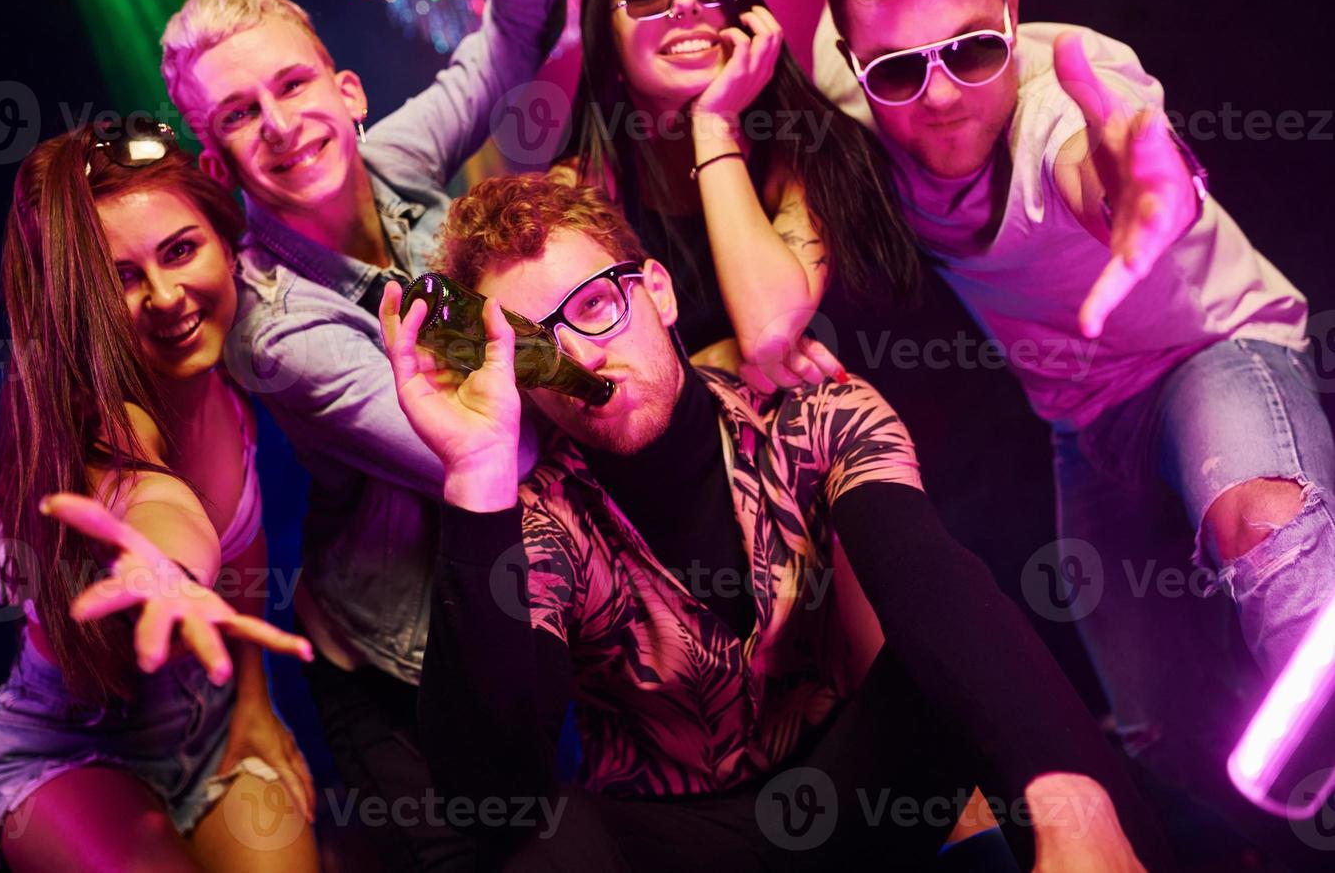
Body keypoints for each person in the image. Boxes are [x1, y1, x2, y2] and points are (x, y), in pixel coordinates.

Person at [379, 173, 1173, 871]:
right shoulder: (543, 521)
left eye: (595, 305)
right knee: (542, 838)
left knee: (947, 631)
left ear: (656, 289)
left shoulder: (814, 416)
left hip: (860, 790)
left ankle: (1091, 831)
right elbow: (491, 792)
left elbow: (927, 579)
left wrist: (1064, 800)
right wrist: (476, 477)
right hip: (683, 842)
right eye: (536, 346)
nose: (582, 356)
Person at [812, 0, 1335, 858]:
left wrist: (1144, 182)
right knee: (1164, 731)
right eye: (895, 68)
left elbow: (1103, 155)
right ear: (851, 67)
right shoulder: (842, 90)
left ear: (1013, 15)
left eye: (972, 50)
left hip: (1208, 350)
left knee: (1267, 535)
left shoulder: (1067, 86)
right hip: (1083, 428)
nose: (938, 95)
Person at [157, 0, 584, 866]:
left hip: (524, 607)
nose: (277, 122)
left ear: (346, 91)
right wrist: (571, 318)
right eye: (237, 113)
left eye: (292, 84)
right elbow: (492, 448)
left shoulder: (390, 159)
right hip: (399, 675)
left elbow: (505, 46)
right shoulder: (273, 327)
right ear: (218, 158)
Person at [0, 118, 318, 872]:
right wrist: (166, 569)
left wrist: (257, 701)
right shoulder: (102, 423)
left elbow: (244, 547)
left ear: (227, 242)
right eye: (122, 278)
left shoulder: (226, 381)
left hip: (212, 729)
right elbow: (152, 498)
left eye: (179, 251)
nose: (165, 297)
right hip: (72, 750)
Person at [556, 0, 921, 392]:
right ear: (609, 43)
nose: (686, 5)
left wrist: (714, 122)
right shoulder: (580, 192)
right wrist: (714, 361)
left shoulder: (811, 145)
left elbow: (769, 329)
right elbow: (566, 378)